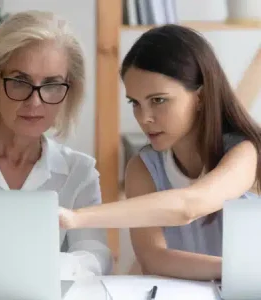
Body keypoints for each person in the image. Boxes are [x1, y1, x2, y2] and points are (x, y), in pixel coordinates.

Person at [59, 24, 261, 280]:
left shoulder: (245, 153)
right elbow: (154, 260)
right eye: (135, 103)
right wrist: (239, 270)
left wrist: (75, 218)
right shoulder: (143, 168)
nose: (145, 118)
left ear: (201, 96)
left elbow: (191, 205)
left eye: (158, 100)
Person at [0, 10, 112, 278]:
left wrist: (39, 267)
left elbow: (95, 255)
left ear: (69, 91)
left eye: (52, 84)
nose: (35, 102)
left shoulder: (78, 172)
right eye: (20, 81)